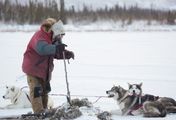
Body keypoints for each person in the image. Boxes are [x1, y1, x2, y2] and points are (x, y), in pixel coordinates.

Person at [22, 18, 74, 114]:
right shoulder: (40, 36)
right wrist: (56, 48)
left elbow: (56, 52)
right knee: (36, 91)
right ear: (53, 30)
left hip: (44, 71)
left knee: (45, 91)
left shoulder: (53, 38)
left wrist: (67, 54)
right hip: (34, 68)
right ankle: (39, 113)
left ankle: (44, 110)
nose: (60, 38)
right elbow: (43, 49)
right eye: (60, 35)